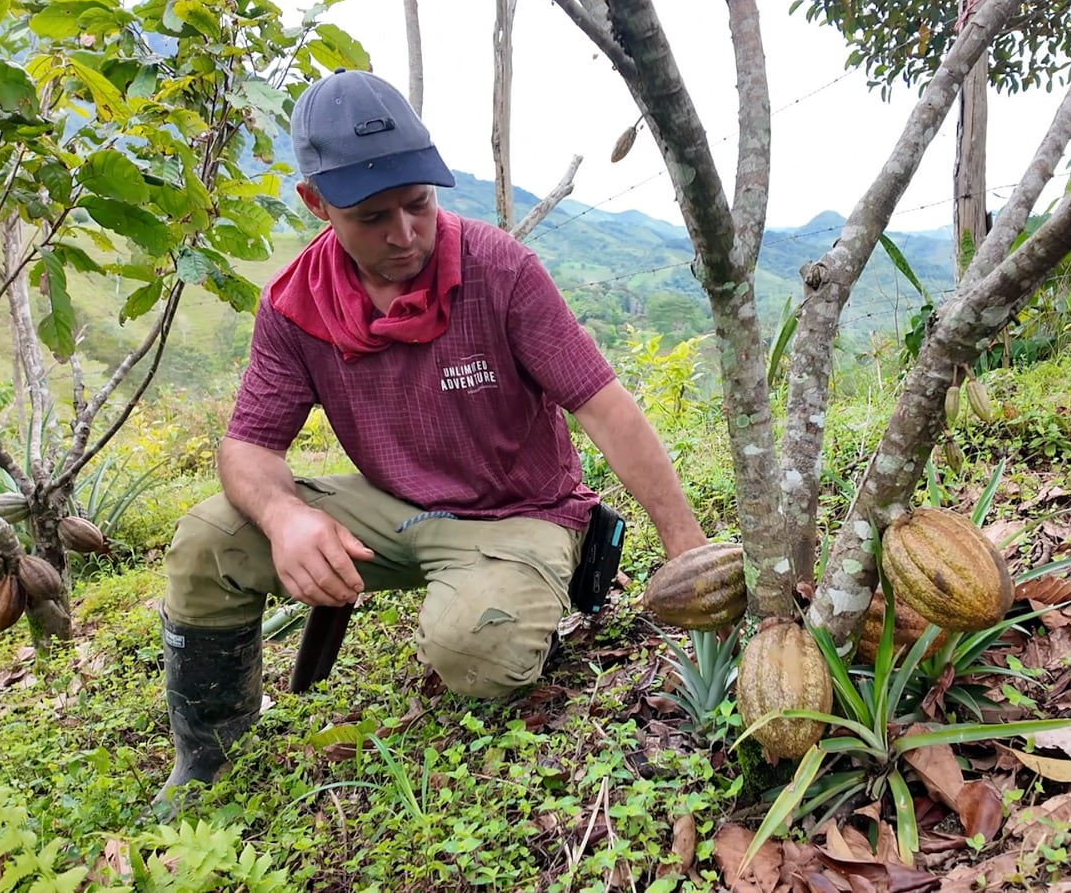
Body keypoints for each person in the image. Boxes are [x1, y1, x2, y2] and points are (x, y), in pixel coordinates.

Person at [156, 69, 707, 801]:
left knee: (477, 648)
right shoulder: (295, 306)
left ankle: (526, 590)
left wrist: (689, 551)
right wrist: (285, 517)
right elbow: (249, 446)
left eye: (418, 204)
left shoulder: (499, 269)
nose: (406, 233)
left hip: (518, 512)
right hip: (396, 507)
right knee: (207, 541)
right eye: (372, 217)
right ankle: (207, 754)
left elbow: (604, 407)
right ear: (317, 204)